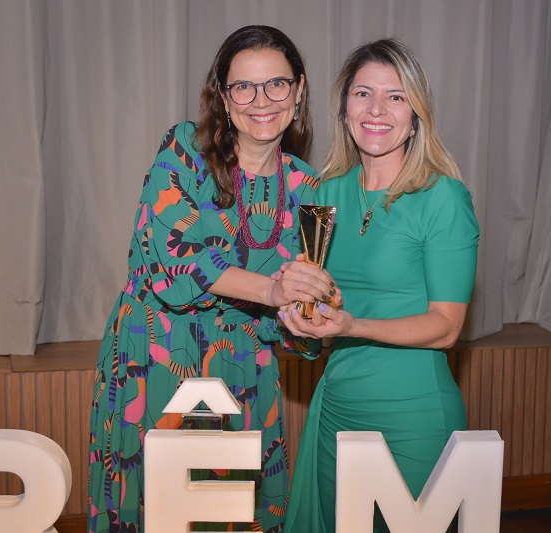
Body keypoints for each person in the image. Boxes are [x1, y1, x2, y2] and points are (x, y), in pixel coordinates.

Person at [88, 25, 337, 533]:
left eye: (276, 84)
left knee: (231, 517)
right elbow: (173, 261)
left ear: (299, 91)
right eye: (243, 86)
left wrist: (313, 310)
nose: (261, 100)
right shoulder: (184, 150)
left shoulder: (308, 189)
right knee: (149, 512)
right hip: (154, 357)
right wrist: (271, 290)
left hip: (244, 368)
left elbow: (293, 327)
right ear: (223, 98)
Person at [280, 38, 480, 532]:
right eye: (363, 93)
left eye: (395, 96)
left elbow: (446, 327)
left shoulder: (444, 198)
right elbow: (316, 318)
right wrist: (302, 324)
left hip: (413, 417)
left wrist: (353, 325)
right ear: (344, 108)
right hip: (336, 412)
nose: (376, 109)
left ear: (416, 115)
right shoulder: (324, 195)